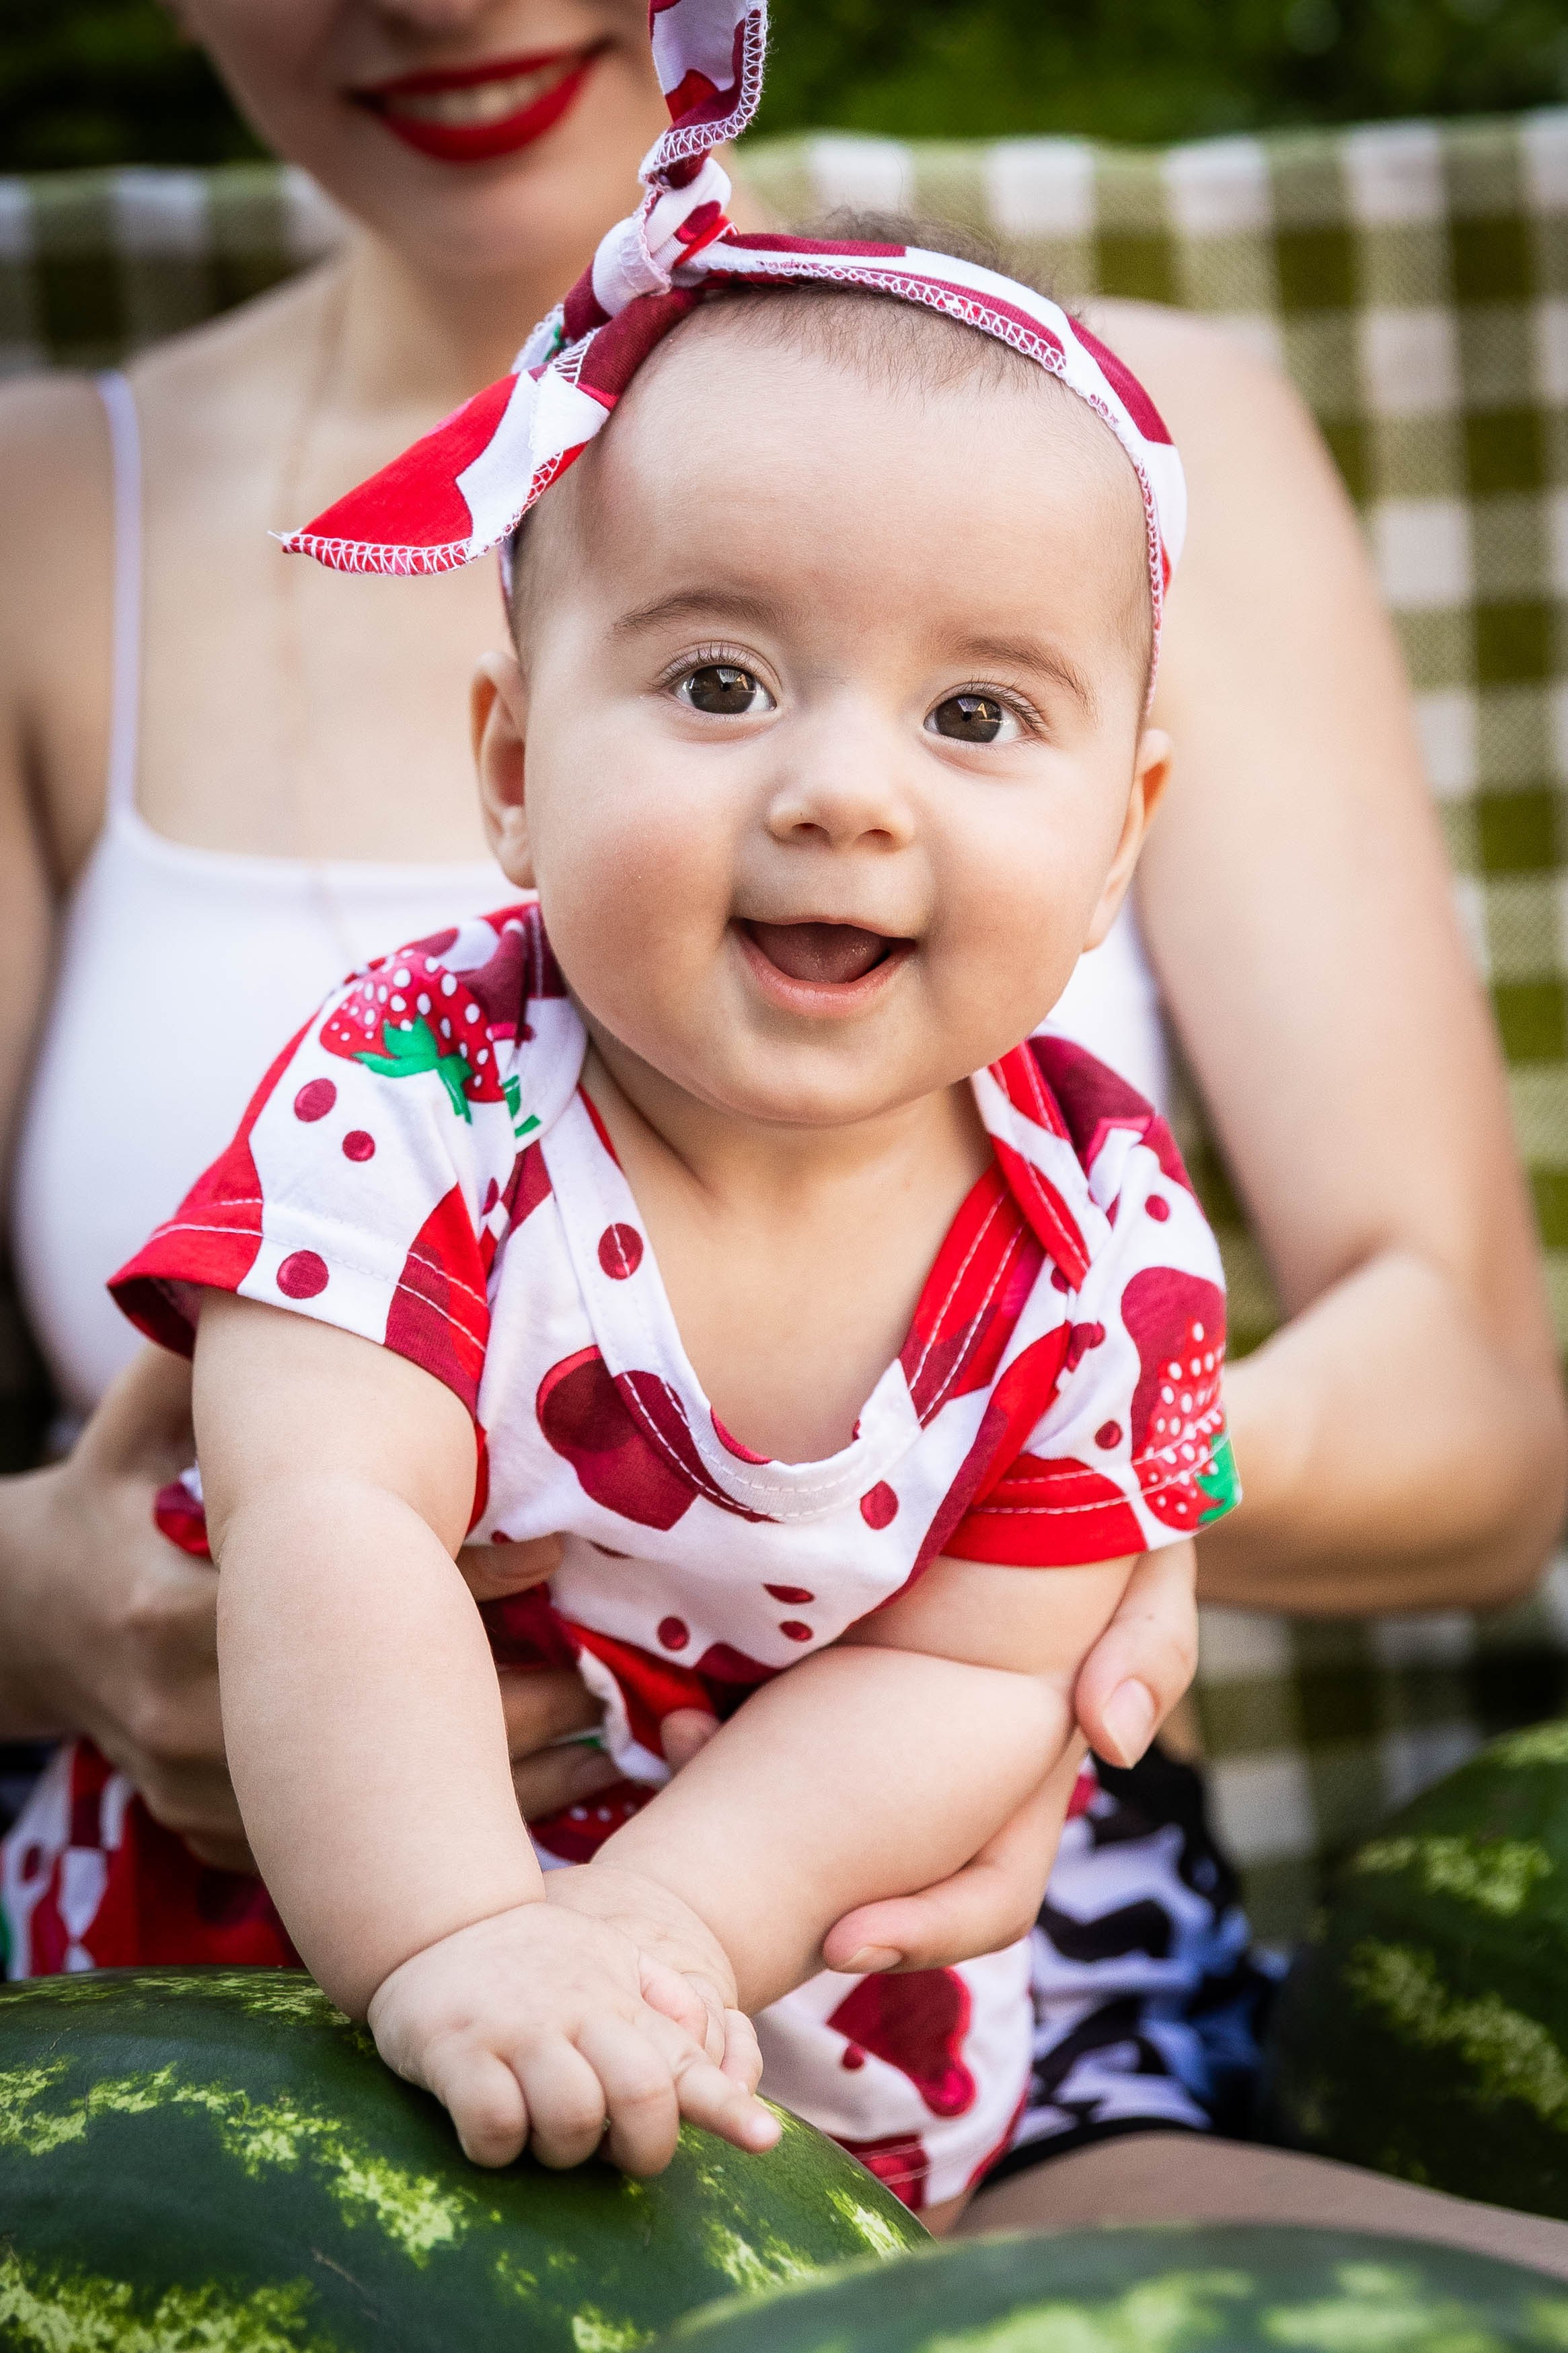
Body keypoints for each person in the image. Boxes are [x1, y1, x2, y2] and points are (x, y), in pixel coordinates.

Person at [0, 0, 1563, 2259]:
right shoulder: (418, 1091)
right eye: (718, 684)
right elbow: (335, 1517)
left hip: (873, 1983)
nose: (842, 788)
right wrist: (462, 1936)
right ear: (510, 765)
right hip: (284, 1952)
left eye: (973, 714)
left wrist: (653, 1933)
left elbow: (957, 1665)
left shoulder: (1095, 1227)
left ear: (1121, 831)